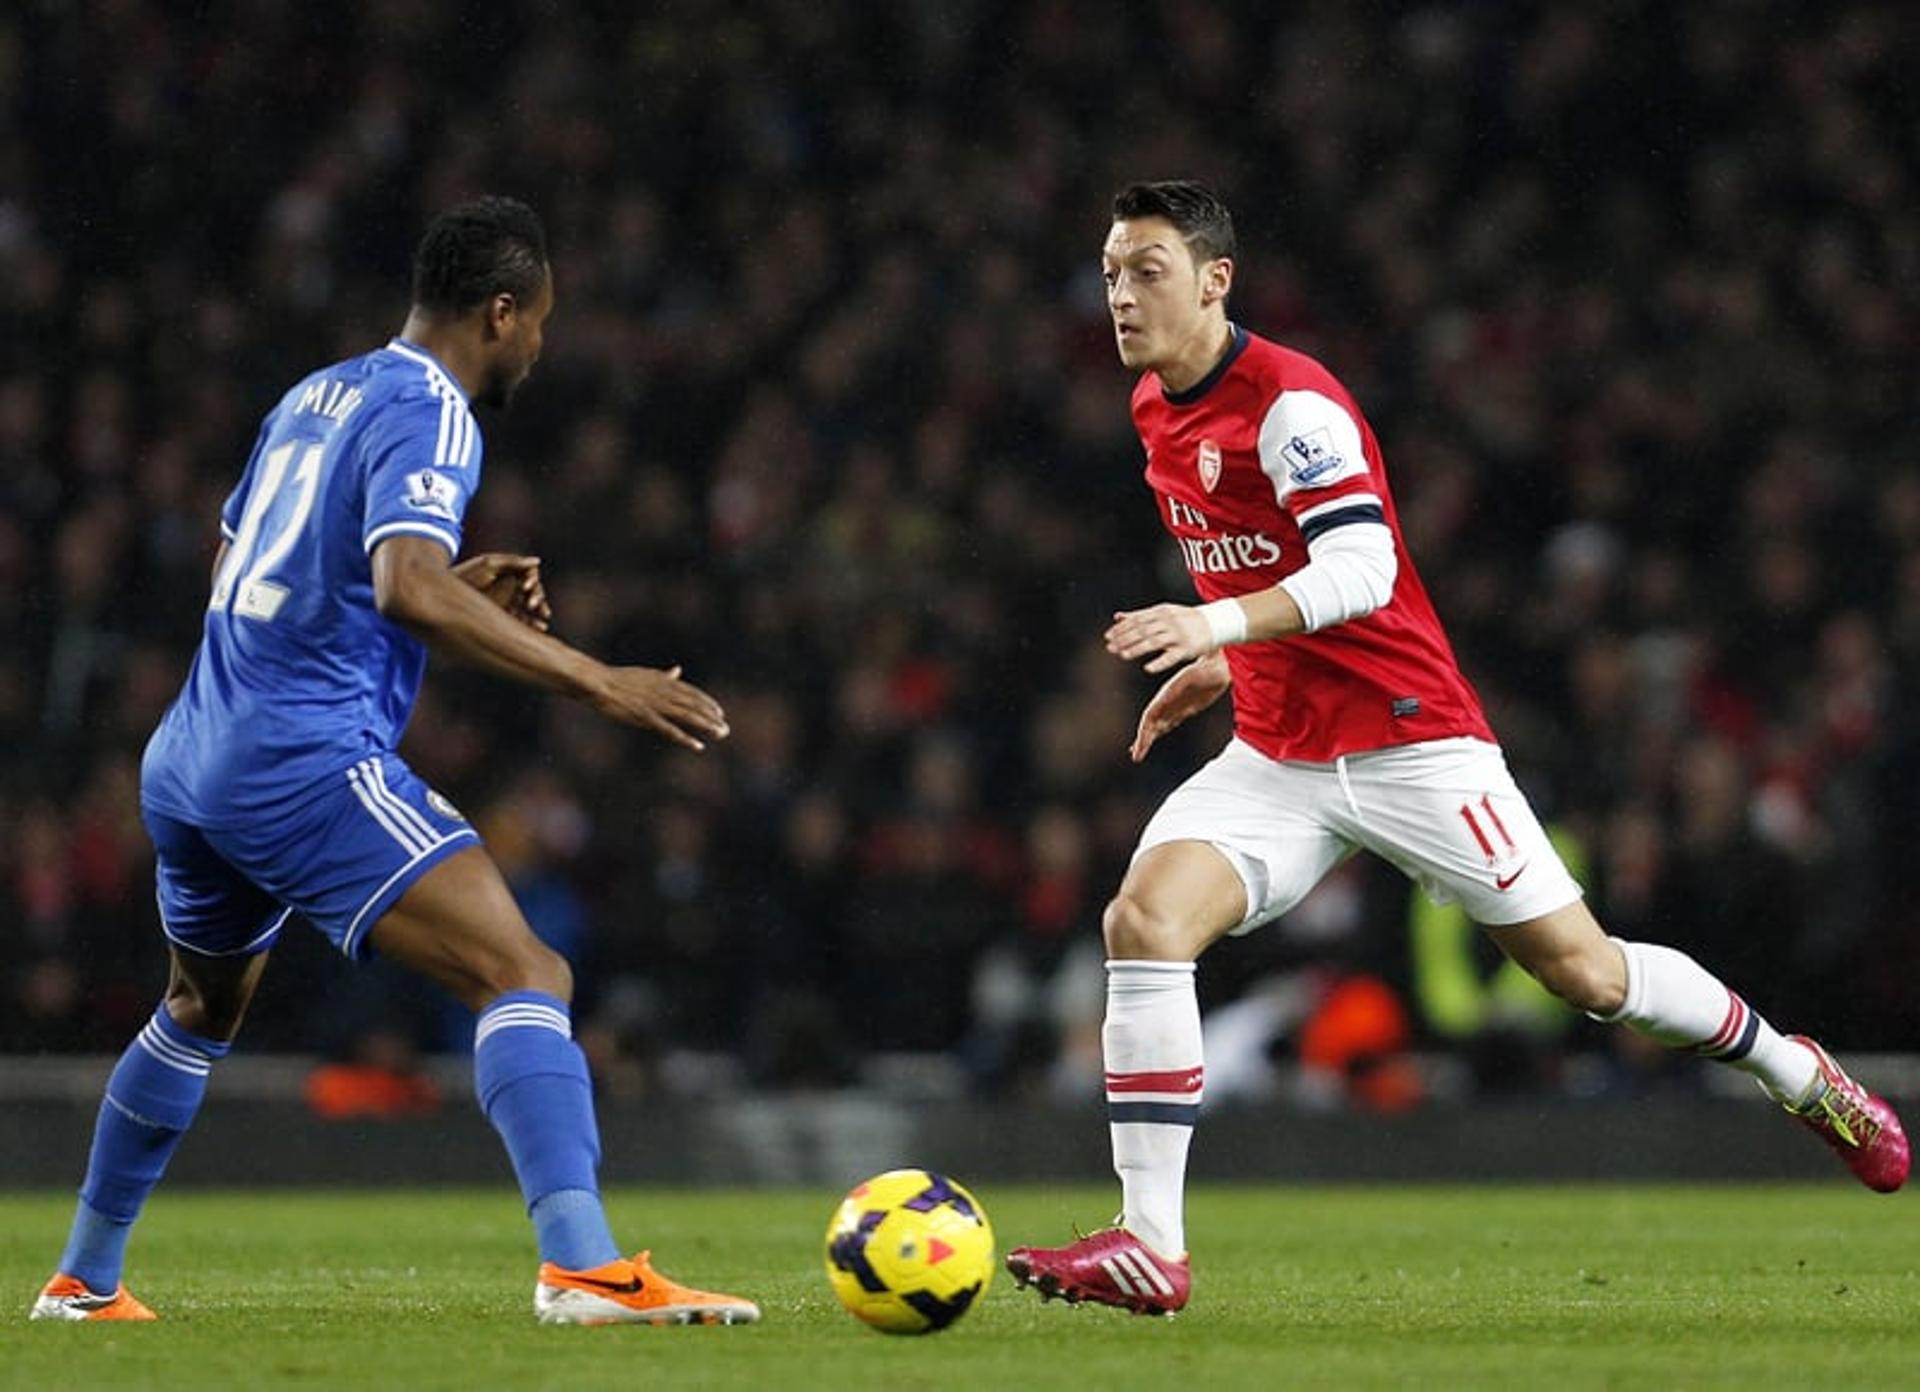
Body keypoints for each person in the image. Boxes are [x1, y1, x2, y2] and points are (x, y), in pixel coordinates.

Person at [1005, 181, 1909, 1316]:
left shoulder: (1295, 407)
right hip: (1282, 755)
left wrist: (1214, 625)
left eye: (1147, 269)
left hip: (1409, 742)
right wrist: (1232, 664)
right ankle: (1152, 1246)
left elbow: (1362, 573)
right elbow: (1262, 563)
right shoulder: (1153, 406)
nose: (1121, 294)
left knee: (1587, 973)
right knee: (1142, 919)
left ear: (1214, 280)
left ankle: (1800, 1075)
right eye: (1109, 271)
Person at [31, 196, 758, 1327]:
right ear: (502, 313)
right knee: (527, 973)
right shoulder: (436, 409)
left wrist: (449, 591)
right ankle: (580, 1262)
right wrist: (596, 677)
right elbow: (402, 584)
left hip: (191, 750)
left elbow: (246, 564)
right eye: (540, 324)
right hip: (297, 756)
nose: (541, 347)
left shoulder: (316, 393)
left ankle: (83, 1279)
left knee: (198, 1009)